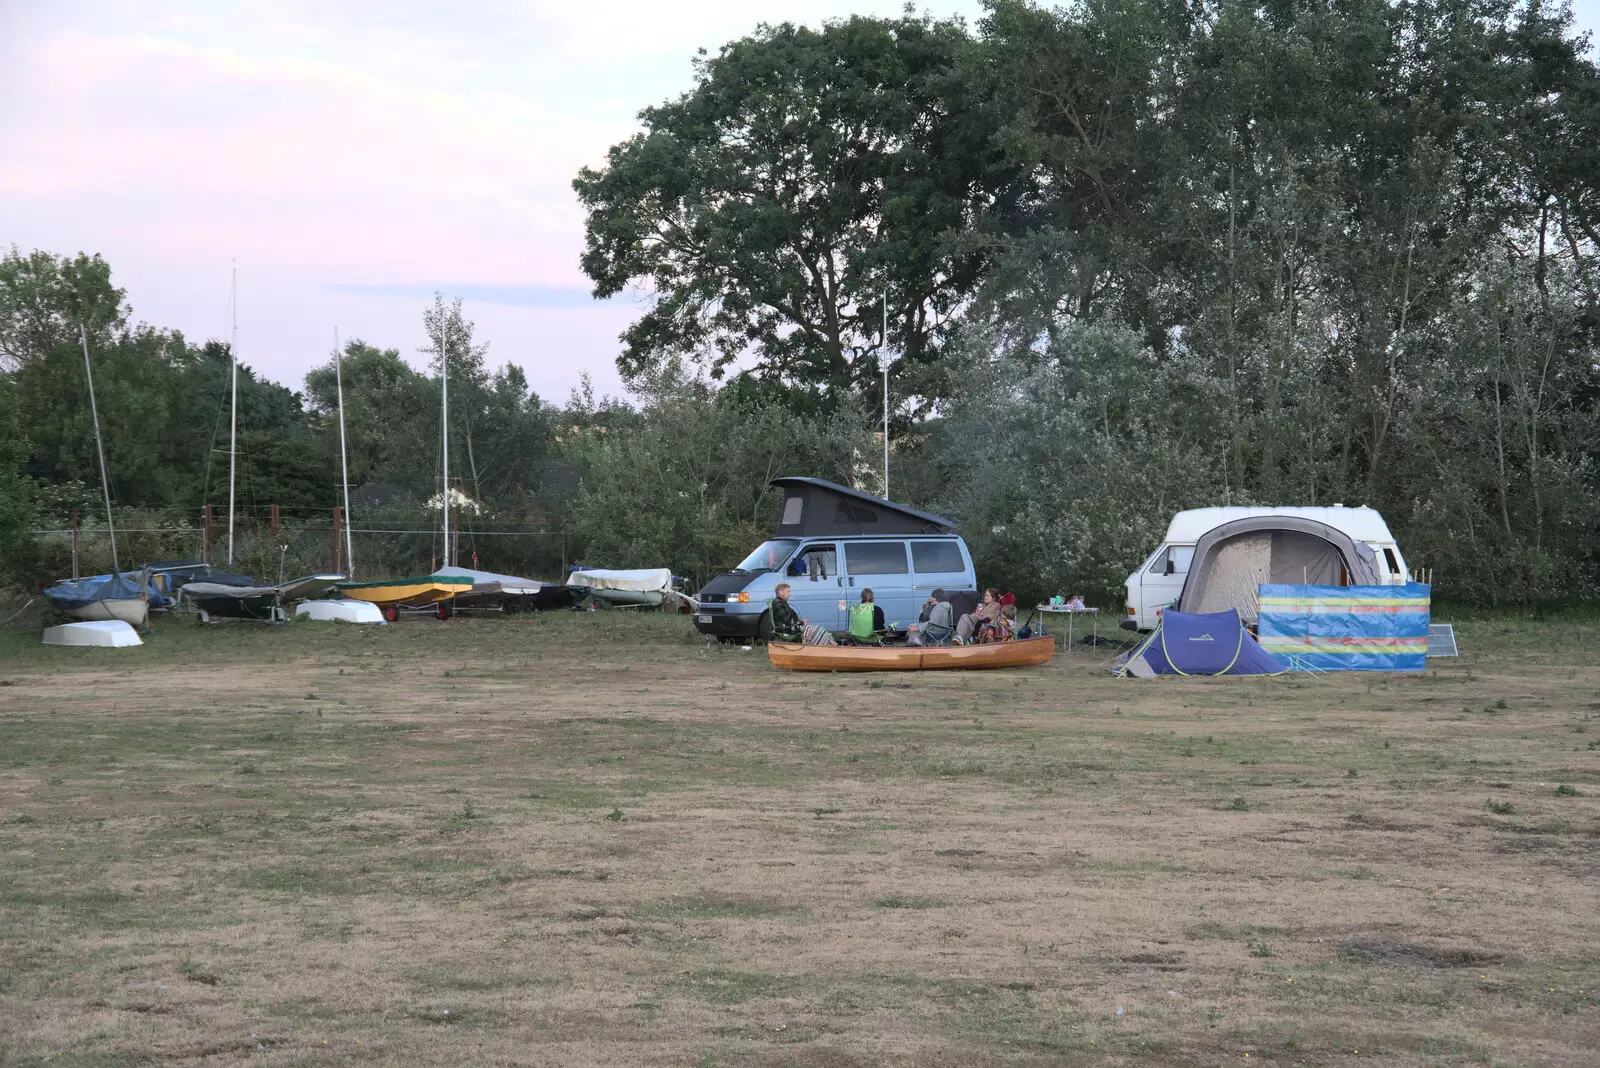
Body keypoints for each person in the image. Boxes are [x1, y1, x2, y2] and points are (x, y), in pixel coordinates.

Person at [770, 582, 834, 645]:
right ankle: (828, 646)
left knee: (819, 630)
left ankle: (829, 644)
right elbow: (788, 620)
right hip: (788, 630)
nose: (790, 594)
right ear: (780, 592)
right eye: (788, 591)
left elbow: (789, 618)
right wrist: (802, 623)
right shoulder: (779, 604)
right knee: (817, 631)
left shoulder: (781, 602)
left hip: (791, 627)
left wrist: (801, 622)